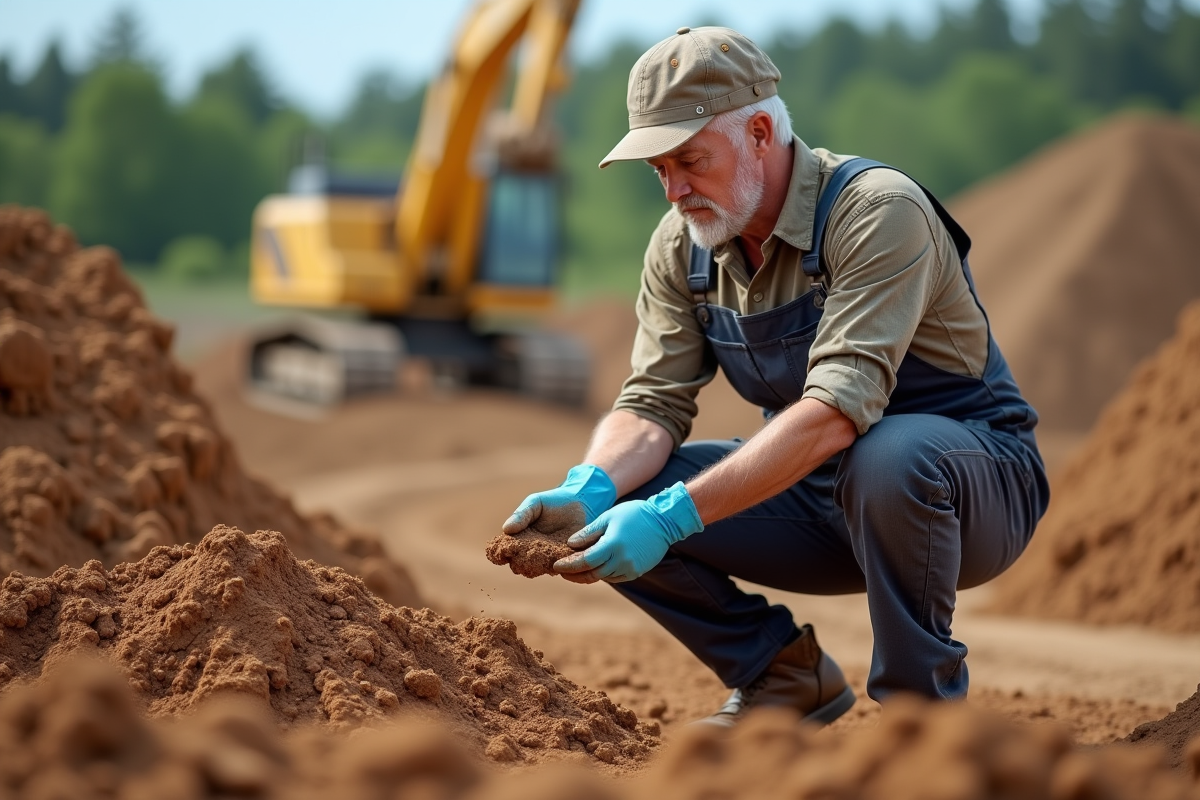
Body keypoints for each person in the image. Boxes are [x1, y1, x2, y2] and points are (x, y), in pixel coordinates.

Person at [502, 26, 1050, 728]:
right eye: (658, 169)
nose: (673, 190)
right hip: (821, 494)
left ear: (759, 132)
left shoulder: (877, 212)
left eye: (689, 160)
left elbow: (837, 411)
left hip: (970, 491)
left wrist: (673, 518)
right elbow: (651, 402)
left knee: (888, 456)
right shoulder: (681, 247)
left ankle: (919, 723)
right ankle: (784, 677)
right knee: (627, 496)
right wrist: (593, 486)